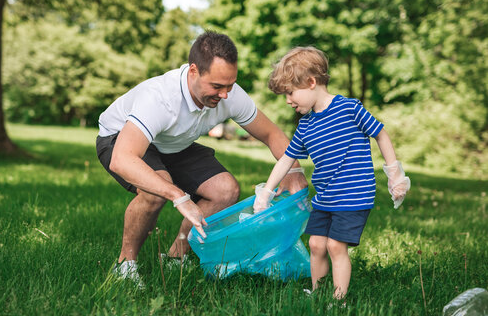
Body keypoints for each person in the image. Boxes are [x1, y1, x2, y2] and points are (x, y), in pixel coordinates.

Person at [96, 31, 308, 285]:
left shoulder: (229, 94)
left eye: (229, 85)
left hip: (173, 142)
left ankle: (176, 257)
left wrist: (293, 171)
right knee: (154, 192)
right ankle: (125, 265)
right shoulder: (161, 98)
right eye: (217, 86)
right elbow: (122, 158)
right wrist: (178, 196)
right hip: (120, 139)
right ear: (193, 71)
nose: (225, 94)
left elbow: (272, 134)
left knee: (225, 190)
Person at [253, 46, 410, 299]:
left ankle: (338, 300)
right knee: (316, 244)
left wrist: (394, 173)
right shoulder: (306, 125)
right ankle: (317, 292)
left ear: (311, 82)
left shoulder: (349, 108)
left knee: (336, 246)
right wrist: (267, 192)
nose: (288, 100)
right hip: (326, 197)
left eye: (290, 92)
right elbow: (286, 160)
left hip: (354, 195)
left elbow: (380, 133)